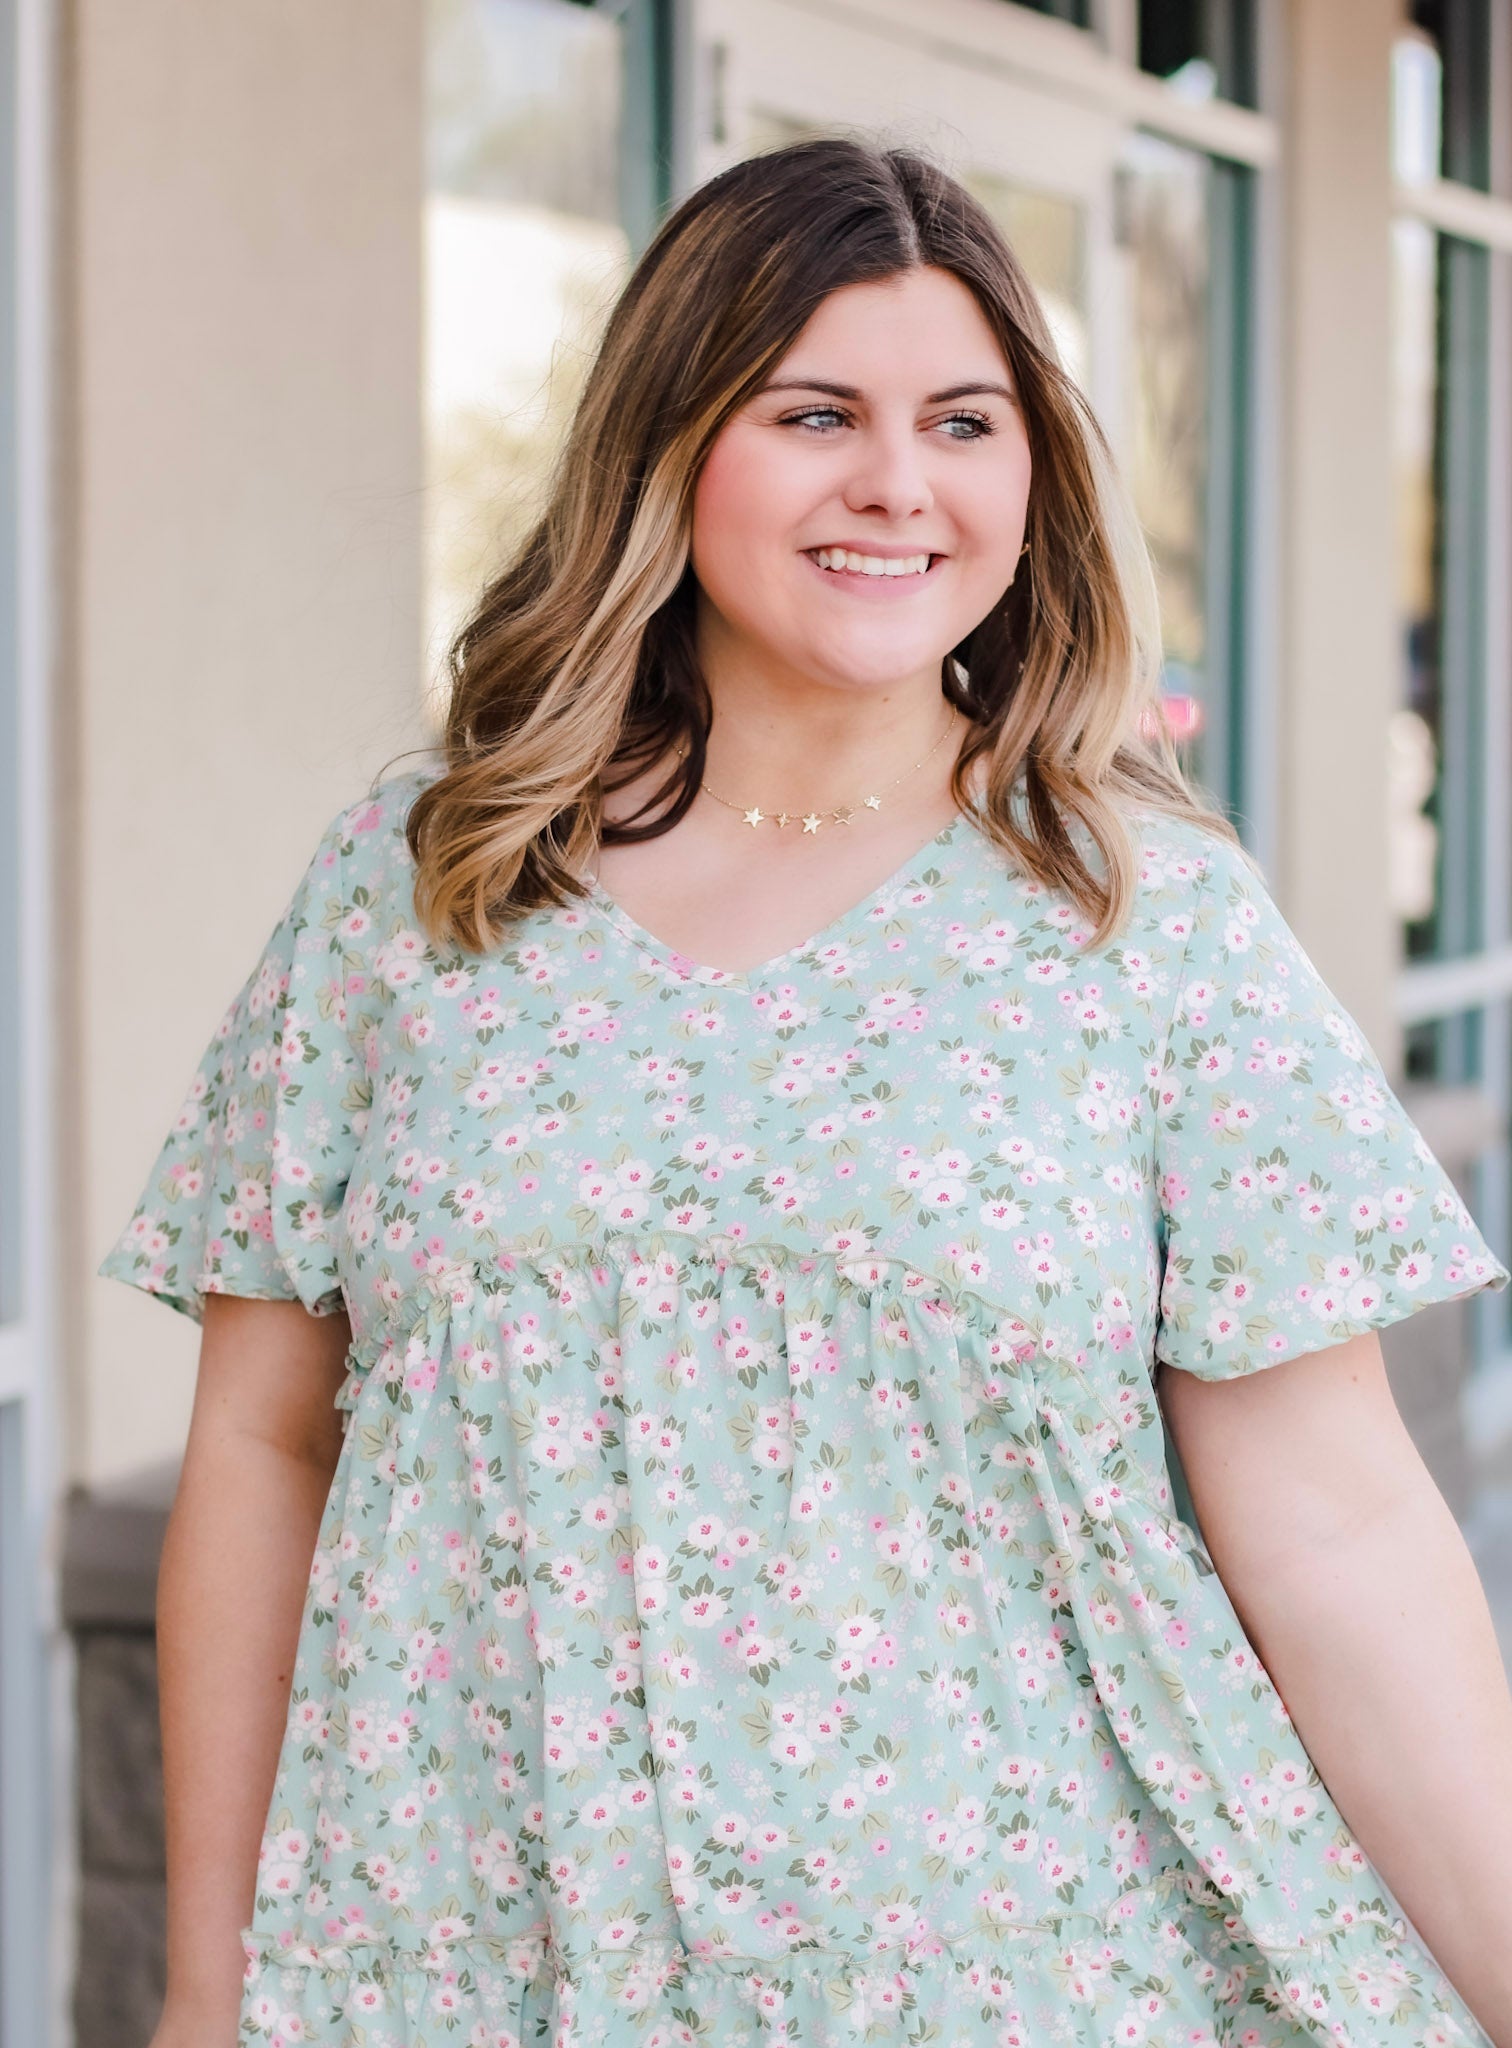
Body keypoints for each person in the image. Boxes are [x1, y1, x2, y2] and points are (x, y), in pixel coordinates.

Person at [99, 137, 1512, 2048]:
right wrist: (208, 1989)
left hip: (1034, 1977)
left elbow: (1340, 1528)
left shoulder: (1140, 916)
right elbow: (262, 1451)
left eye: (964, 422)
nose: (898, 484)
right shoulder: (424, 886)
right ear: (671, 445)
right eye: (816, 413)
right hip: (475, 1969)